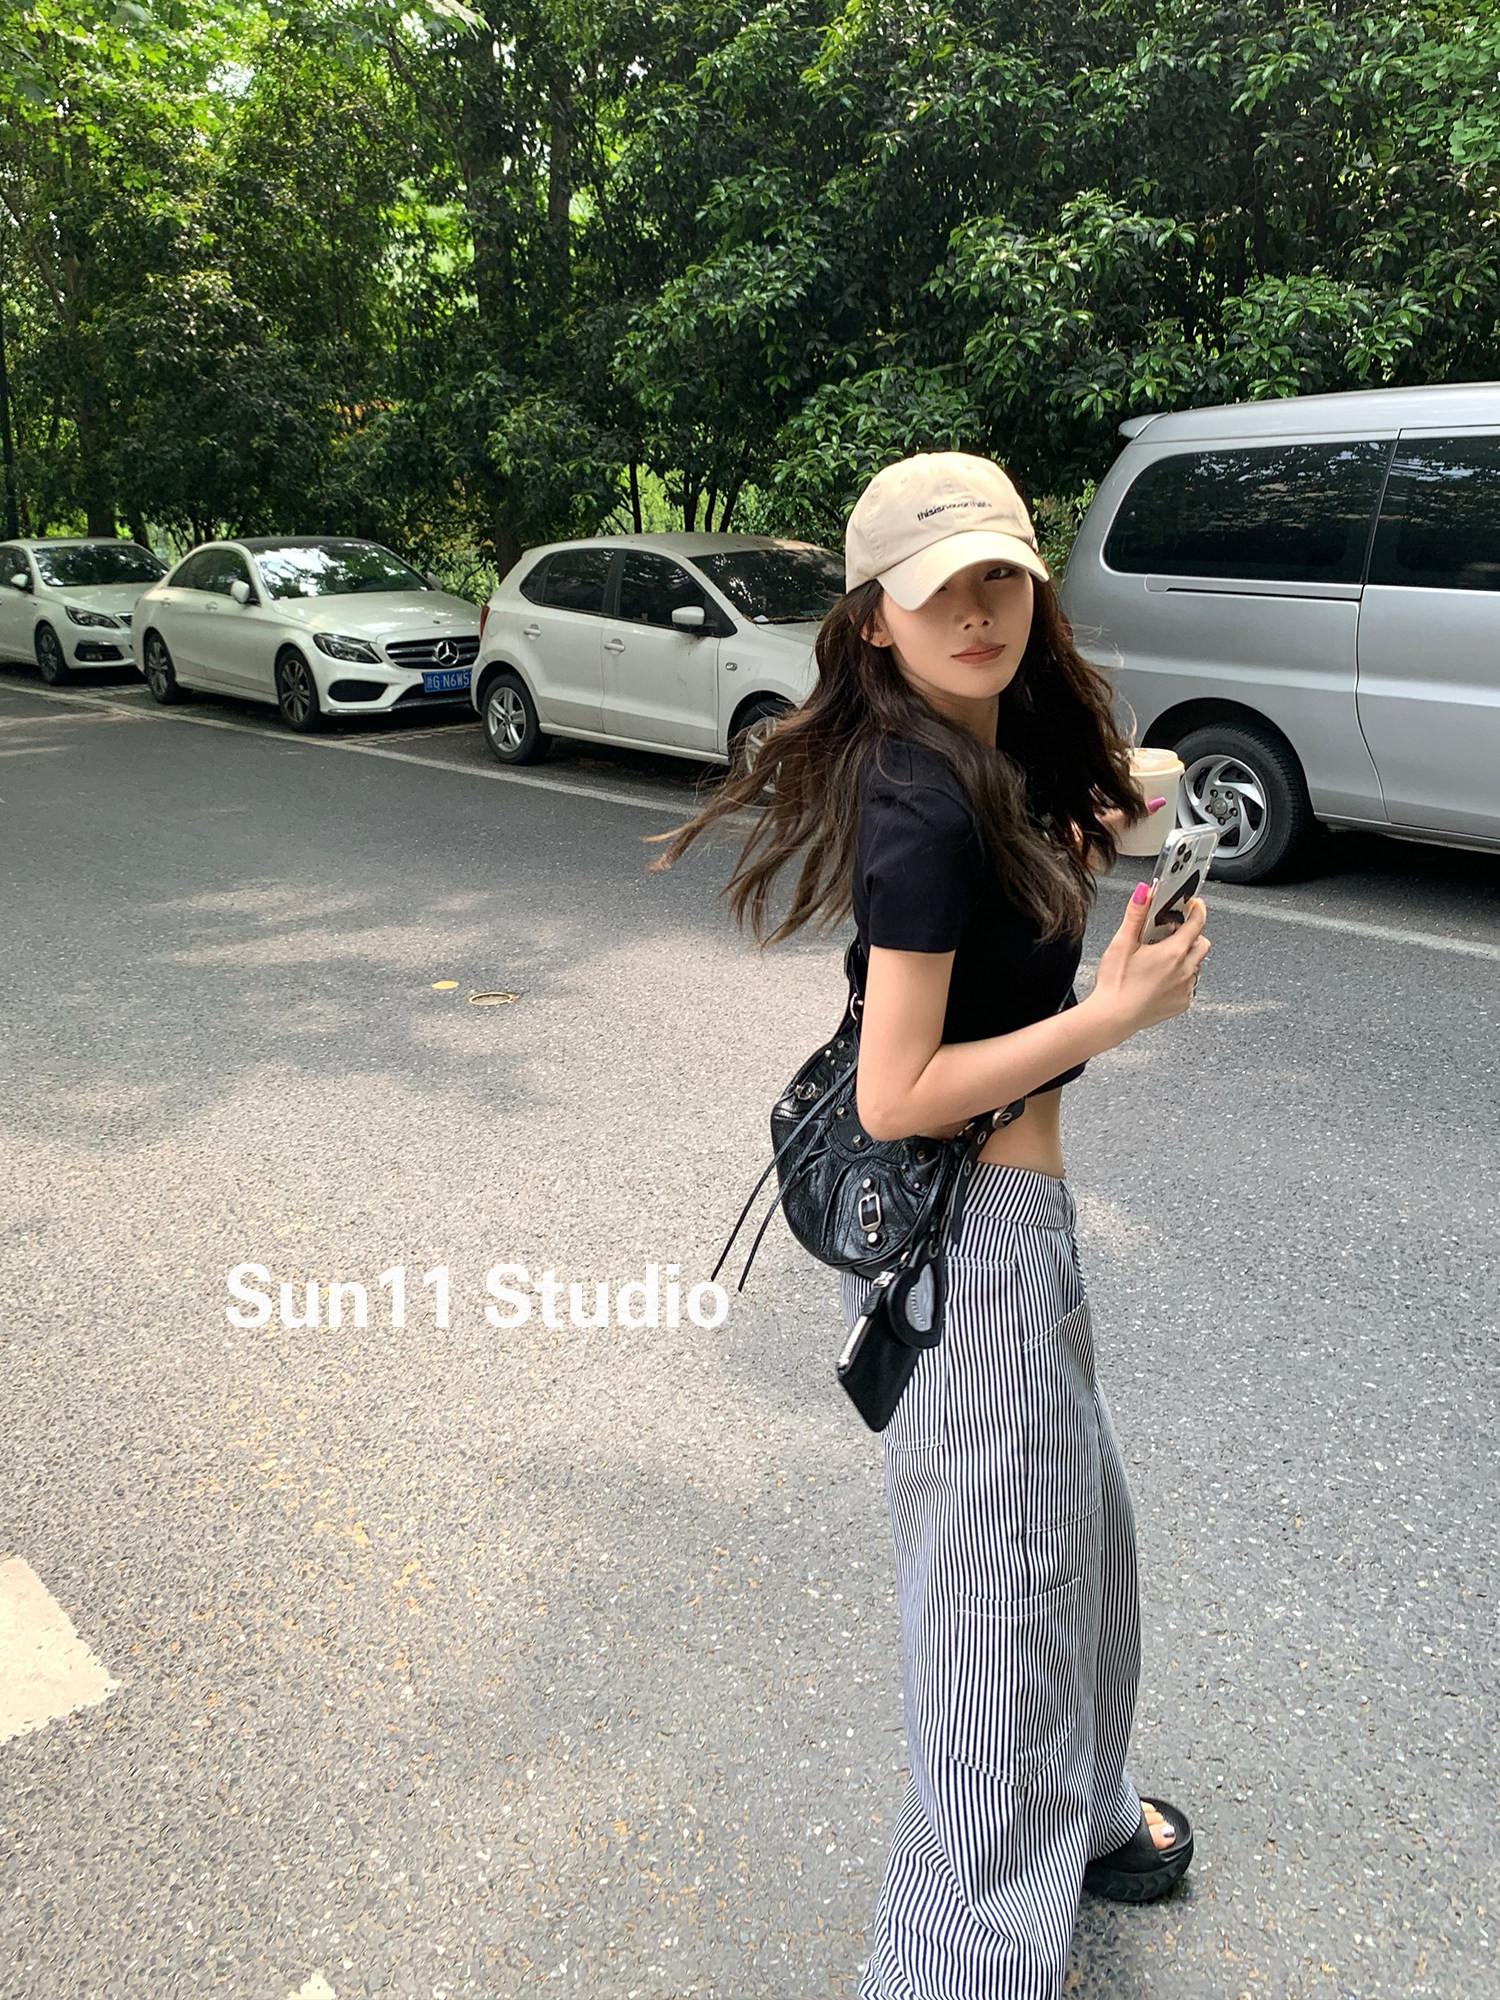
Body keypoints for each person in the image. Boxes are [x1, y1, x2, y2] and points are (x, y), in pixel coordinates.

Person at [651, 452, 1210, 1998]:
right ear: (873, 620)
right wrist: (1112, 1014)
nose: (975, 609)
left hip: (1020, 1232)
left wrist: (1121, 824)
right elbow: (897, 1094)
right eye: (935, 588)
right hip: (974, 1247)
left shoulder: (986, 748)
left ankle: (1089, 1816)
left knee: (1077, 1545)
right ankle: (956, 1964)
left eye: (1000, 576)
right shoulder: (918, 798)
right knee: (996, 1607)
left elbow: (1064, 852)